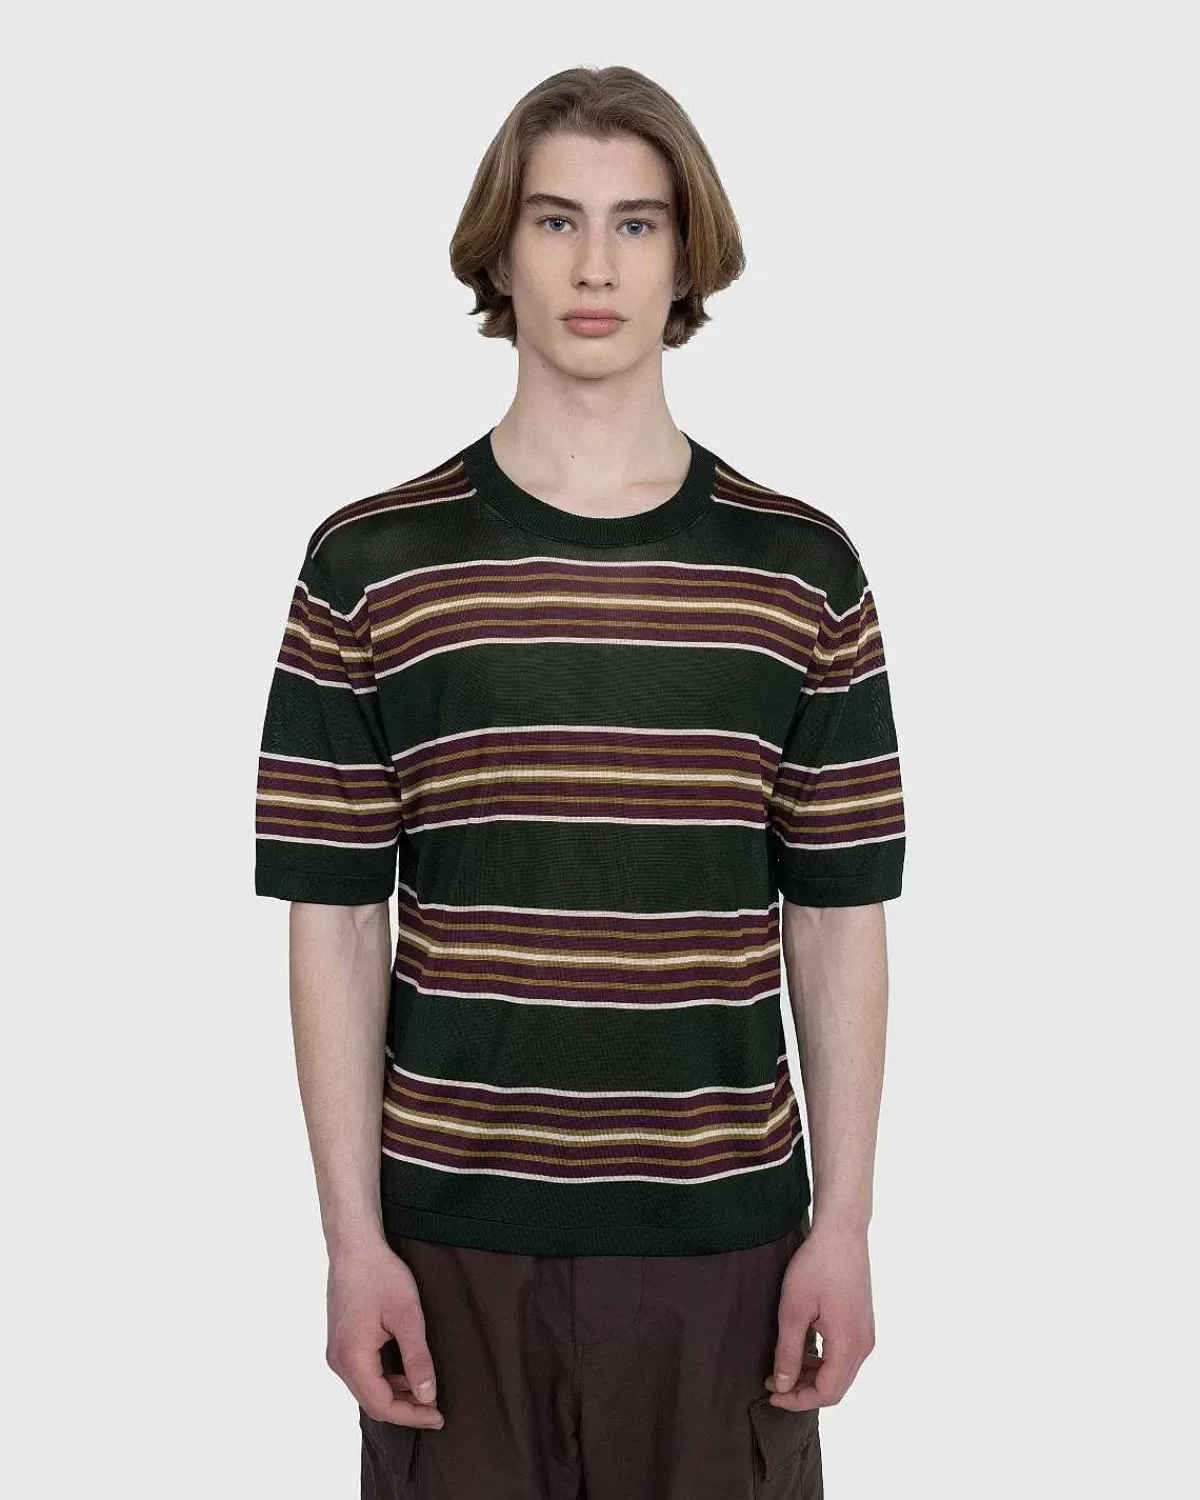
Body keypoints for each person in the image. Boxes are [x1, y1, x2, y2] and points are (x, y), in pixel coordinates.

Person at [255, 63, 906, 1500]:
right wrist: (351, 1242)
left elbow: (837, 916)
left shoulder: (801, 571)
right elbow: (336, 918)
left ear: (687, 257)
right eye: (555, 222)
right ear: (500, 252)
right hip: (450, 1249)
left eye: (635, 223)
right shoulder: (371, 566)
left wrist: (845, 1227)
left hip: (728, 1250)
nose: (596, 266)